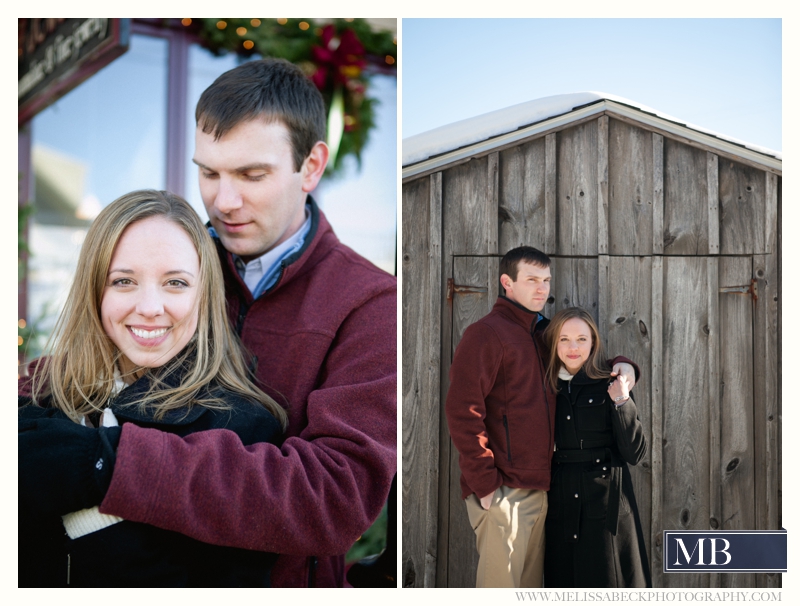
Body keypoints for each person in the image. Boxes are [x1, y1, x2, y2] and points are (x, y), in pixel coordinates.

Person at [17, 58, 396, 588]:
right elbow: (100, 347)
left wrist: (109, 463)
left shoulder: (370, 304)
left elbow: (334, 497)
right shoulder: (176, 253)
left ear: (311, 166)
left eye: (251, 175)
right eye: (209, 171)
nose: (223, 200)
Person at [19, 190, 287, 587]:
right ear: (95, 290)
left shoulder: (243, 430)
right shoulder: (38, 399)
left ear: (204, 295)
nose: (149, 306)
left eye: (175, 283)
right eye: (123, 280)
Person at [444, 246, 638, 588]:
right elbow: (463, 411)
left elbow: (582, 351)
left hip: (543, 491)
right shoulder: (485, 334)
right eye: (532, 280)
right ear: (507, 282)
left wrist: (624, 365)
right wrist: (487, 485)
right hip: (503, 490)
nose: (541, 289)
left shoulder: (543, 333)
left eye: (546, 281)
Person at [542, 307, 650, 588]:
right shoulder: (546, 384)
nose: (573, 347)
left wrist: (622, 402)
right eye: (564, 339)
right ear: (554, 343)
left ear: (594, 342)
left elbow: (635, 453)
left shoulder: (612, 382)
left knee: (607, 579)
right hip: (561, 501)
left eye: (581, 339)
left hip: (605, 502)